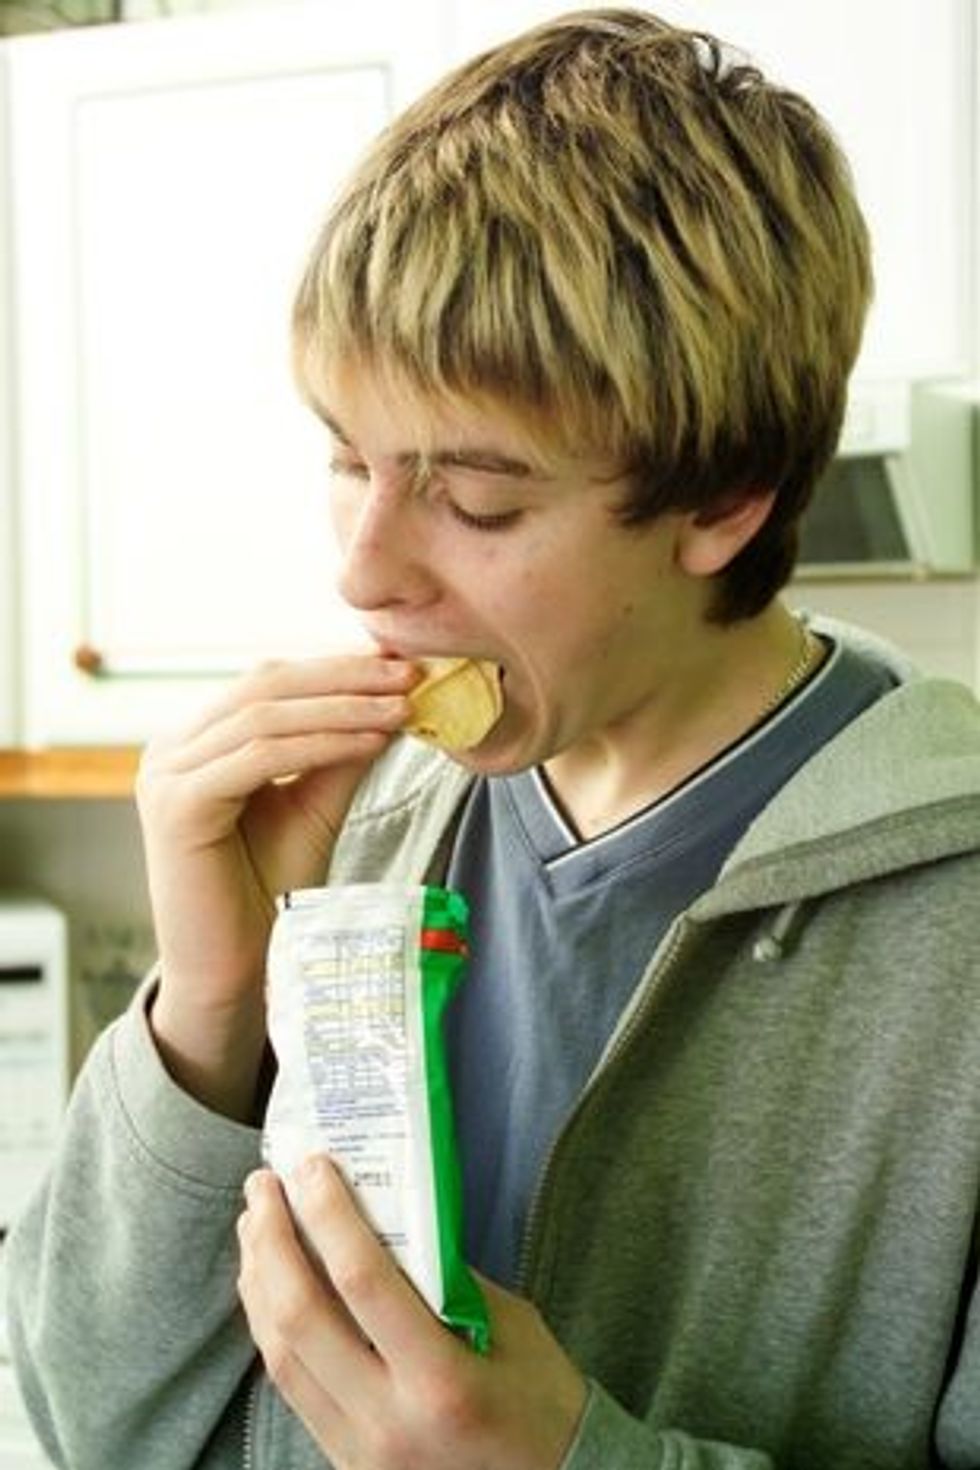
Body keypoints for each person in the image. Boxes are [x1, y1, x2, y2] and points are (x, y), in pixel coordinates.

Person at [7, 7, 980, 1468]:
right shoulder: (360, 828)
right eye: (349, 460)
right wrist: (208, 1006)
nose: (363, 571)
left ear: (726, 500)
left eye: (478, 502)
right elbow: (87, 1417)